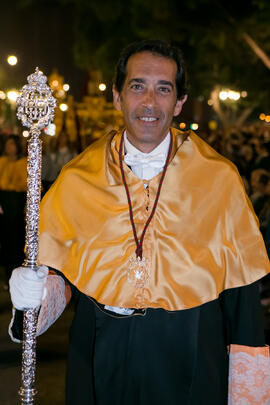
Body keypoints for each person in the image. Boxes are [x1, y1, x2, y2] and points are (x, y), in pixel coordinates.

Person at [9, 40, 270, 404]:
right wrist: (31, 296)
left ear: (179, 102)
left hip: (192, 348)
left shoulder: (219, 179)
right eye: (137, 86)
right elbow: (62, 275)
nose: (150, 102)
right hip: (100, 347)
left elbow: (243, 300)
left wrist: (249, 395)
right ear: (118, 97)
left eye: (163, 89)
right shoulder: (77, 178)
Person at [0, 134, 27, 289]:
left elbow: (24, 185)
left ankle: (17, 276)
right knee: (5, 241)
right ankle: (7, 275)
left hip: (17, 202)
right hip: (4, 202)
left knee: (17, 240)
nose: (9, 147)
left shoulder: (23, 162)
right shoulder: (2, 161)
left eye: (12, 144)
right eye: (7, 144)